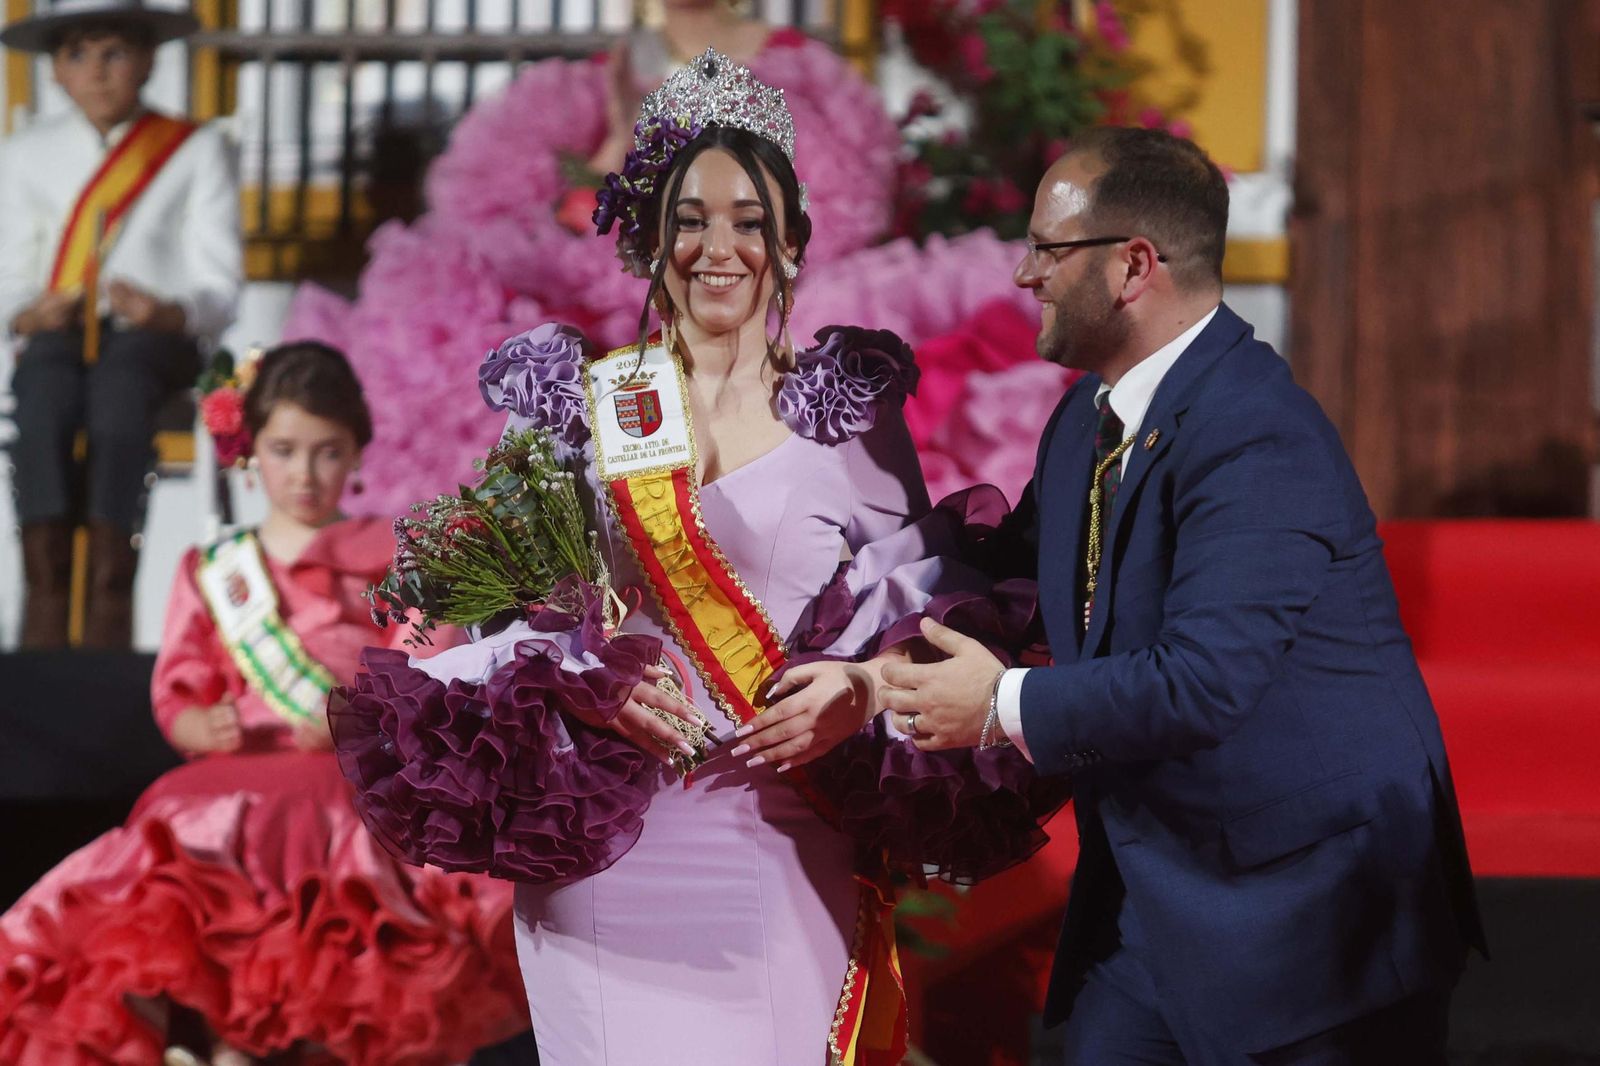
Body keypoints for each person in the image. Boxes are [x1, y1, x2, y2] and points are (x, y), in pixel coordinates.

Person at [330, 50, 1065, 1066]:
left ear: (791, 246)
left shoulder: (846, 414)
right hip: (605, 849)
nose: (719, 248)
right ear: (649, 239)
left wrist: (855, 682)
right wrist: (585, 680)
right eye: (691, 221)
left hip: (785, 833)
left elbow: (926, 621)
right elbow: (492, 620)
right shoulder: (584, 413)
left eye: (750, 222)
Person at [876, 127, 1489, 1064]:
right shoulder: (1089, 415)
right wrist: (839, 527)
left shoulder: (1257, 432)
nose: (1023, 274)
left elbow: (1203, 681)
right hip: (1161, 902)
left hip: (1316, 925)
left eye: (1047, 247)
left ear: (1132, 266)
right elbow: (1003, 577)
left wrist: (997, 707)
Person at [0, 343, 527, 1066]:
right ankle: (221, 1041)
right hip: (238, 774)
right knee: (180, 841)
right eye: (284, 450)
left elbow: (427, 664)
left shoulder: (392, 556)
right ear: (252, 452)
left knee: (349, 920)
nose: (304, 473)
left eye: (326, 451)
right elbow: (180, 681)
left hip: (352, 771)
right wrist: (193, 721)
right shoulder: (217, 570)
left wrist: (361, 717)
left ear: (357, 451)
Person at [0, 0, 243, 649]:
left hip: (152, 343)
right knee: (42, 398)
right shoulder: (24, 153)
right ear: (55, 71)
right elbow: (8, 272)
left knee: (118, 396)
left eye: (114, 53)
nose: (98, 71)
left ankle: (111, 593)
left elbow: (219, 284)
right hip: (57, 335)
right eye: (78, 55)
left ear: (147, 61)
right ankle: (45, 593)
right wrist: (27, 309)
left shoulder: (195, 148)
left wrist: (167, 310)